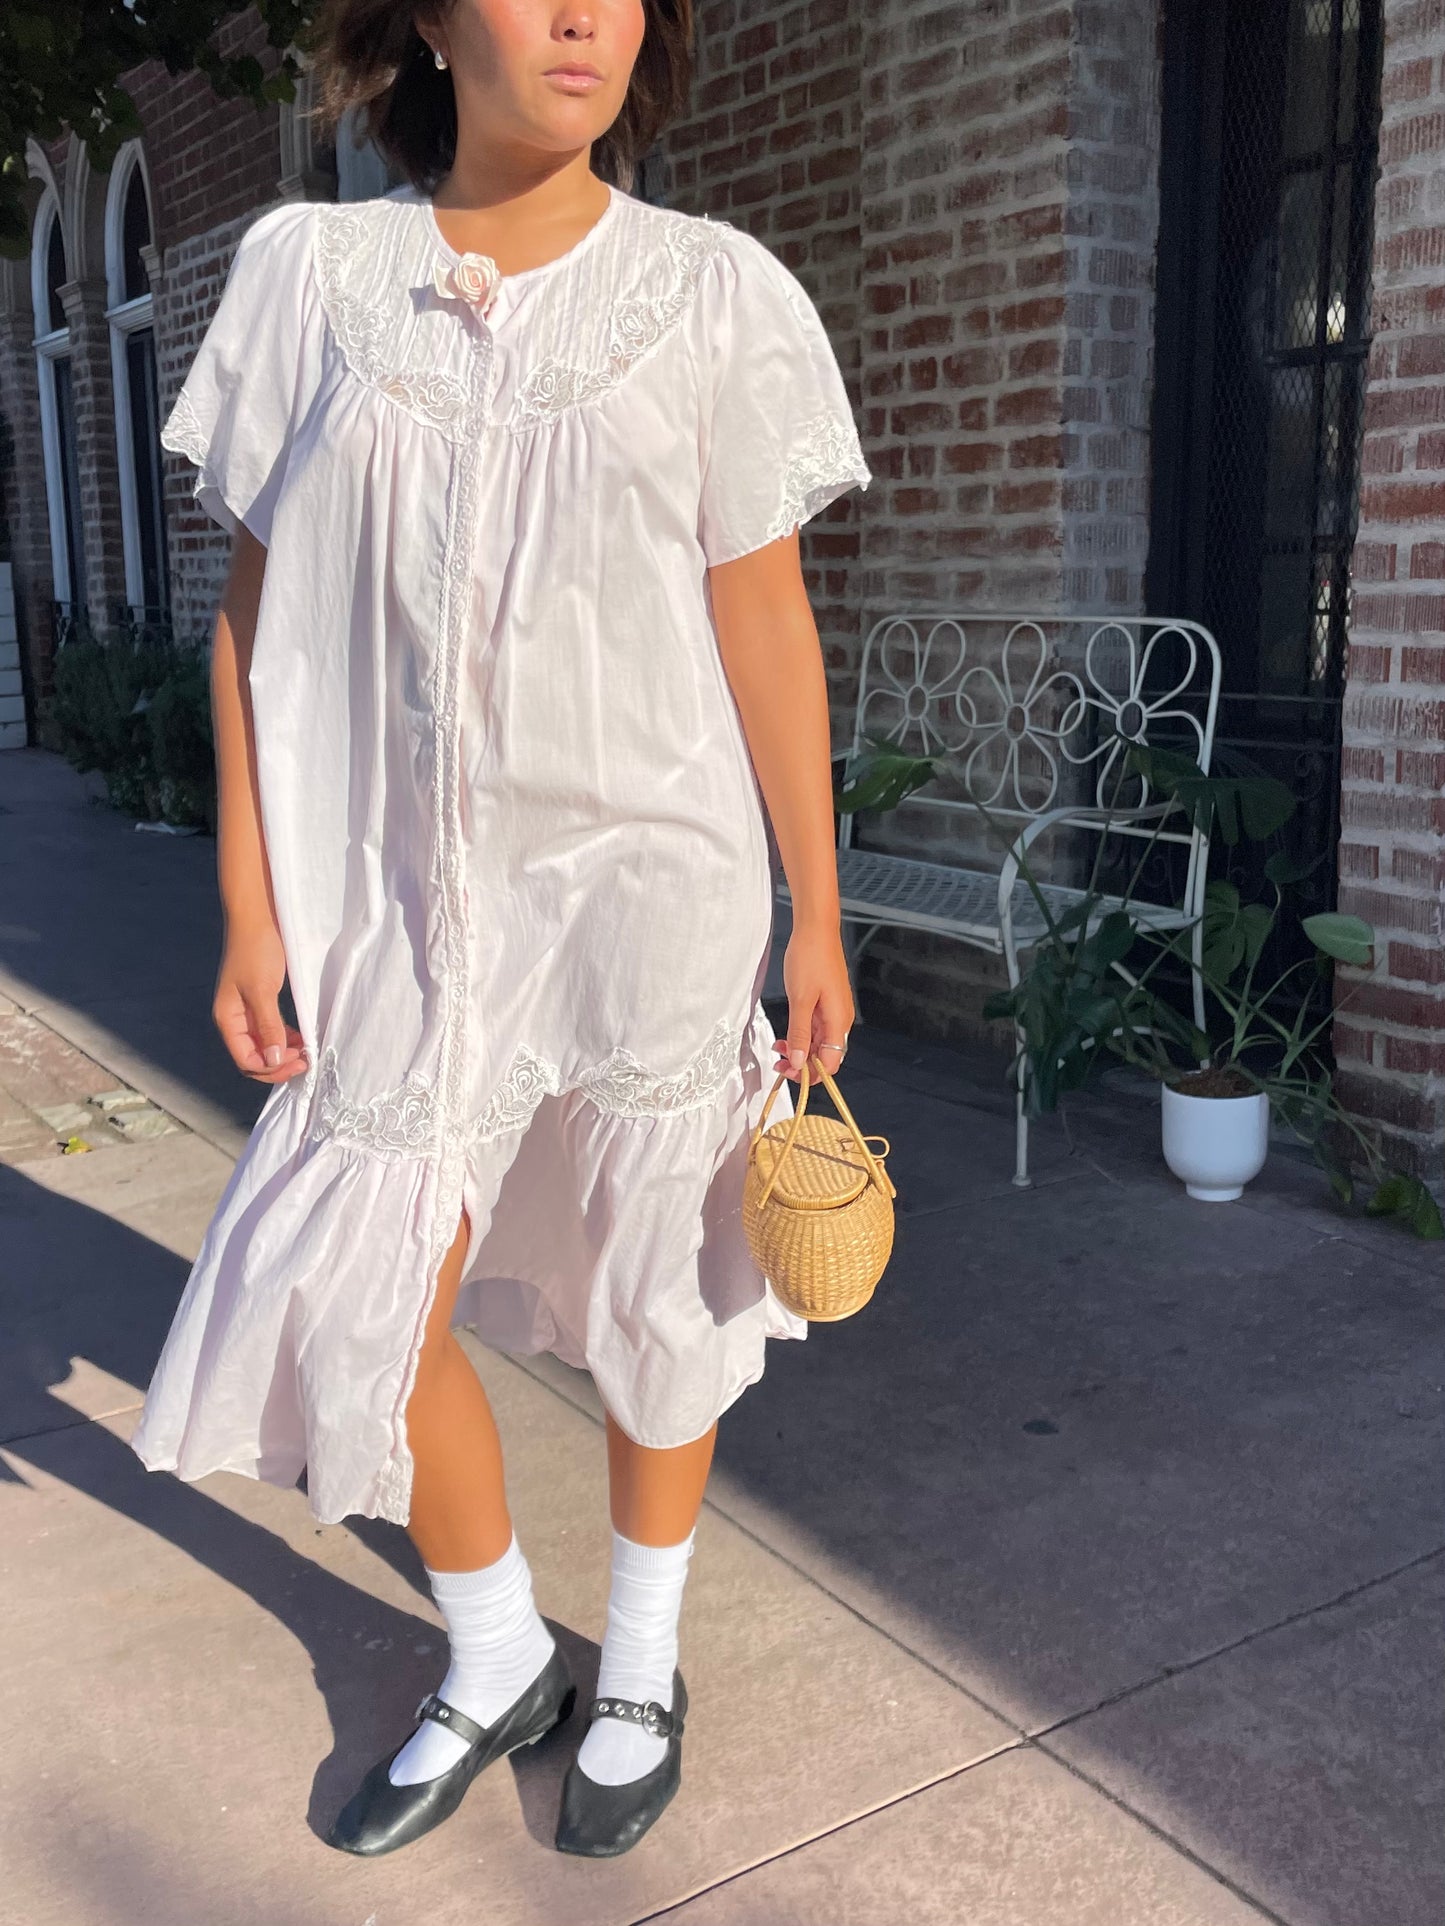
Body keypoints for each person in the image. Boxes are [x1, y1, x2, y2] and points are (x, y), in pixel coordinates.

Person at [130, 0, 870, 1863]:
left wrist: (817, 911)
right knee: (364, 1281)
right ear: (423, 24)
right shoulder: (307, 277)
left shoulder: (708, 293)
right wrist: (247, 898)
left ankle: (631, 1657)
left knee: (656, 1285)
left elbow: (766, 627)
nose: (579, 17)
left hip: (651, 884)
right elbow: (248, 619)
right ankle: (487, 1645)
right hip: (393, 901)